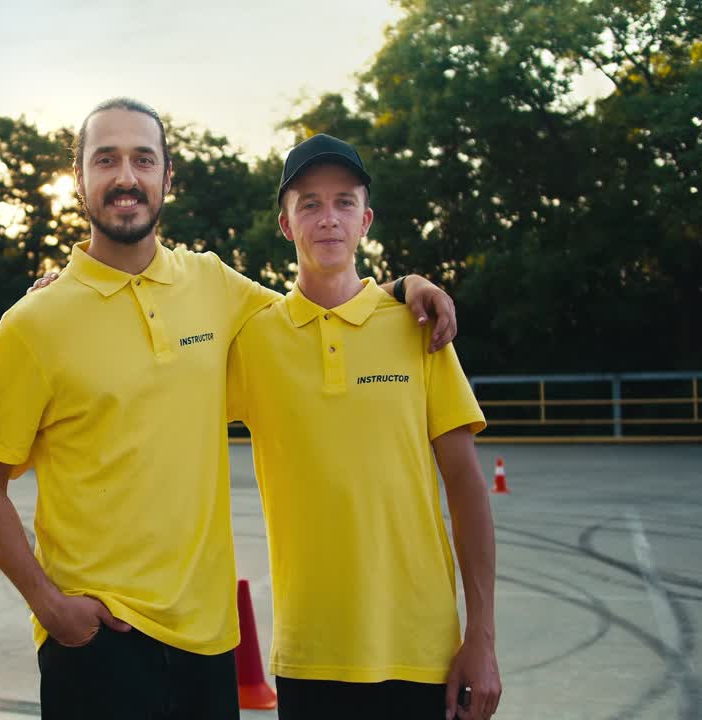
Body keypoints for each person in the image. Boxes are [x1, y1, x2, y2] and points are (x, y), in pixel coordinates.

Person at [0, 98, 457, 719]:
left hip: (209, 644)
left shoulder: (215, 285)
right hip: (96, 641)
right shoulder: (33, 323)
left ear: (167, 178)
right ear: (79, 179)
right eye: (106, 159)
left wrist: (401, 288)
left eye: (144, 159)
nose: (126, 176)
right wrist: (48, 604)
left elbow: (316, 306)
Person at [225, 134, 501, 720]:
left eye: (344, 202)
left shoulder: (416, 326)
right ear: (285, 223)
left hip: (424, 650)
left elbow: (467, 486)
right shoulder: (253, 341)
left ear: (366, 219)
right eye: (310, 204)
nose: (329, 219)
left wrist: (482, 637)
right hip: (311, 655)